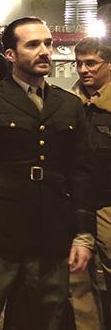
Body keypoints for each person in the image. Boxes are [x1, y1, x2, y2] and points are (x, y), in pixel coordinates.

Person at [0, 17, 94, 329]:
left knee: (42, 319)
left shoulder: (68, 105)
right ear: (11, 54)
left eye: (48, 44)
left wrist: (83, 233)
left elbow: (80, 172)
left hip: (49, 233)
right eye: (33, 44)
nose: (44, 51)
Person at [68, 37, 111, 328]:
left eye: (91, 63)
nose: (84, 70)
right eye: (79, 63)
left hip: (107, 203)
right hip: (77, 204)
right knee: (77, 280)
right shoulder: (70, 103)